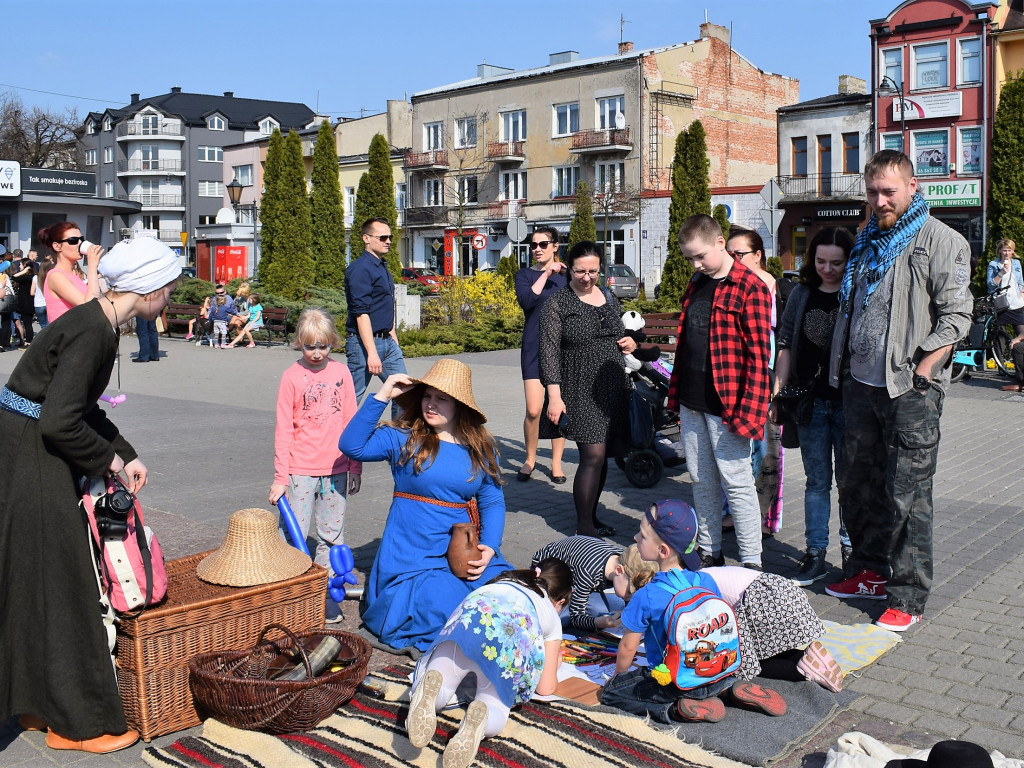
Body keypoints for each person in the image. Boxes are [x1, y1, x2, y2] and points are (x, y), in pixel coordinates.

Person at [0, 236, 181, 754]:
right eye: (167, 289)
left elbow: (81, 409)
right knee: (64, 582)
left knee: (34, 577)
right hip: (33, 455)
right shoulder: (93, 333)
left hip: (24, 447)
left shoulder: (93, 323)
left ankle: (35, 703)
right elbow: (60, 422)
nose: (168, 298)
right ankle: (78, 724)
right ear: (147, 289)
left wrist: (127, 452)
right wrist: (109, 461)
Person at [824, 150, 972, 631]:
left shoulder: (941, 241)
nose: (880, 200)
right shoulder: (867, 240)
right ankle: (868, 570)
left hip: (909, 388)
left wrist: (926, 369)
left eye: (889, 191)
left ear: (912, 187)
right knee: (857, 484)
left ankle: (907, 596)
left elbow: (956, 317)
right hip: (860, 384)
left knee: (907, 493)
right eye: (872, 192)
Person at [338, 358, 513, 651]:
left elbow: (492, 499)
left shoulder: (481, 447)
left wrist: (491, 547)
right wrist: (382, 395)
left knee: (507, 595)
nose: (430, 404)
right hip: (412, 558)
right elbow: (351, 445)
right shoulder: (403, 438)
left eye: (441, 399)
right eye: (427, 396)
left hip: (463, 550)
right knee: (452, 608)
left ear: (459, 405)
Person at [599, 500, 786, 724]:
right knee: (710, 678)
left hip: (673, 682)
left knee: (610, 693)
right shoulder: (705, 580)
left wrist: (619, 678)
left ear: (662, 550)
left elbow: (628, 647)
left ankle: (673, 709)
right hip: (717, 671)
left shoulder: (647, 594)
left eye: (642, 535)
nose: (636, 539)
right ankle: (728, 689)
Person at [667, 215, 772, 570]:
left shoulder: (749, 286)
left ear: (719, 243)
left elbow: (760, 356)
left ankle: (752, 563)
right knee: (701, 480)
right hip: (691, 400)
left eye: (700, 256)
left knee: (737, 483)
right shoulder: (698, 282)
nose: (696, 265)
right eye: (690, 259)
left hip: (728, 405)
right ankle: (711, 552)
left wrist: (749, 412)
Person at [406, 559, 571, 768]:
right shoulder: (551, 615)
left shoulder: (501, 581)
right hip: (503, 648)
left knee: (443, 680)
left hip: (465, 628)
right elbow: (546, 688)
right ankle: (482, 720)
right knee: (495, 706)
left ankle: (431, 693)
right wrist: (554, 664)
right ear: (562, 601)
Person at [773, 226, 855, 585]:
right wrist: (777, 392)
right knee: (817, 481)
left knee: (850, 482)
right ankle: (816, 553)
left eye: (836, 262)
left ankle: (852, 552)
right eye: (821, 261)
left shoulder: (857, 293)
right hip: (810, 403)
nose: (827, 268)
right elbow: (786, 345)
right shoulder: (802, 293)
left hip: (851, 404)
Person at [539, 241, 637, 536]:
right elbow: (549, 353)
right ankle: (584, 528)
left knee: (602, 455)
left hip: (611, 387)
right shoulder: (557, 303)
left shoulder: (607, 296)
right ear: (569, 268)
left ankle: (592, 518)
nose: (587, 277)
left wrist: (631, 342)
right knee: (592, 455)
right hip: (577, 387)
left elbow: (623, 332)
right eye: (581, 271)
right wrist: (554, 398)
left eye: (593, 271)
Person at [270, 308, 361, 624]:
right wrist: (281, 477)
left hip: (336, 469)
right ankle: (289, 593)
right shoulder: (291, 377)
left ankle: (324, 594)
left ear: (332, 343)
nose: (317, 353)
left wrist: (355, 466)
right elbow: (284, 429)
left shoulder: (342, 373)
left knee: (331, 536)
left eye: (323, 346)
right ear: (299, 344)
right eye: (310, 346)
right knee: (293, 535)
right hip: (300, 471)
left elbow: (352, 422)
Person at [700, 564, 843, 692]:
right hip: (781, 590)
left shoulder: (694, 587)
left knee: (744, 662)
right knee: (762, 650)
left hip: (764, 602)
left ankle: (801, 670)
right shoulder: (704, 573)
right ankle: (807, 655)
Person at [725, 228, 783, 537]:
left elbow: (782, 339)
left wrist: (778, 384)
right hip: (736, 378)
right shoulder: (729, 284)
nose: (733, 260)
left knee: (766, 450)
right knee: (736, 450)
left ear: (758, 255)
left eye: (739, 254)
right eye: (729, 254)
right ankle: (734, 512)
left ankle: (763, 516)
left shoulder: (777, 288)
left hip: (768, 378)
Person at [514, 226, 567, 483]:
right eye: (533, 245)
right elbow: (527, 302)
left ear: (555, 246)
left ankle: (556, 463)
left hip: (562, 349)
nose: (537, 249)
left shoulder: (568, 277)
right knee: (534, 410)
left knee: (556, 407)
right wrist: (546, 272)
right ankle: (530, 459)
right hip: (534, 347)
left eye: (543, 244)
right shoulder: (524, 275)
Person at [345, 217, 407, 406]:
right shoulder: (360, 269)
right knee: (350, 399)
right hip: (363, 344)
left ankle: (398, 434)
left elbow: (384, 306)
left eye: (389, 237)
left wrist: (393, 337)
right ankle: (339, 435)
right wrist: (372, 352)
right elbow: (361, 313)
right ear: (366, 238)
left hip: (387, 342)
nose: (388, 241)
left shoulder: (381, 267)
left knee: (404, 393)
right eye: (382, 237)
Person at [530, 537, 654, 631]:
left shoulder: (622, 560)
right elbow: (576, 617)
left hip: (581, 580)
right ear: (619, 570)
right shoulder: (587, 571)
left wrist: (629, 608)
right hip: (550, 577)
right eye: (629, 593)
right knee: (576, 615)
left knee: (617, 605)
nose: (630, 597)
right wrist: (599, 623)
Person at [40, 222, 102, 323]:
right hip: (66, 337)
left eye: (81, 239)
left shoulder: (75, 275)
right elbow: (89, 306)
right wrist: (92, 266)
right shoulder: (56, 276)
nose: (80, 244)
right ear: (57, 246)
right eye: (73, 241)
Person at [986, 240, 1024, 393]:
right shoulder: (993, 265)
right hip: (1001, 305)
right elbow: (990, 285)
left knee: (1022, 333)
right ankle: (1001, 367)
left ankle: (1020, 372)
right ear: (999, 251)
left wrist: (1022, 296)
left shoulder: (1016, 264)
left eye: (1009, 250)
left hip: (1016, 304)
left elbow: (1021, 282)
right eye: (1004, 250)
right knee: (999, 337)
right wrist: (1001, 272)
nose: (1007, 253)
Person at [9, 251, 35, 347]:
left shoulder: (26, 277)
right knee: (27, 322)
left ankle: (28, 341)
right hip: (29, 302)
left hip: (26, 303)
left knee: (27, 322)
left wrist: (23, 272)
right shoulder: (31, 276)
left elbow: (14, 277)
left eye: (20, 264)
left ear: (25, 266)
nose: (19, 266)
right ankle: (28, 340)